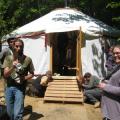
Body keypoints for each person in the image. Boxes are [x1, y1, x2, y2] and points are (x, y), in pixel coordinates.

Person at [3, 39, 34, 120]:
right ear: (13, 46)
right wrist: (13, 67)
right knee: (10, 113)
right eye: (17, 46)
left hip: (20, 88)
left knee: (18, 114)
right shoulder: (8, 58)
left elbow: (32, 73)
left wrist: (24, 78)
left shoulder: (28, 59)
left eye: (21, 46)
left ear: (23, 47)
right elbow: (5, 74)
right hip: (9, 87)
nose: (19, 48)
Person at [98, 45, 120, 120]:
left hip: (116, 113)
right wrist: (107, 82)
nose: (115, 55)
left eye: (118, 53)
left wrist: (105, 87)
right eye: (114, 53)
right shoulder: (117, 67)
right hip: (109, 112)